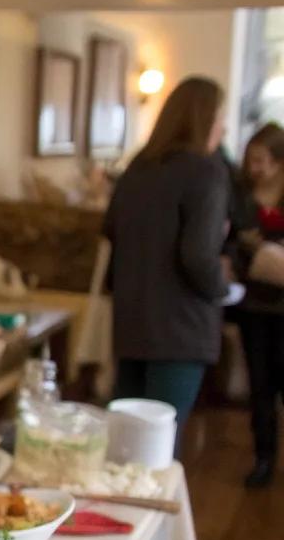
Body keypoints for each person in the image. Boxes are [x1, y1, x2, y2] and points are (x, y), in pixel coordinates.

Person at [102, 76, 228, 456]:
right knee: (158, 449)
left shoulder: (137, 169)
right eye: (220, 117)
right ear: (204, 119)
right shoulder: (204, 172)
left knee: (123, 447)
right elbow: (198, 256)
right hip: (179, 328)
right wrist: (222, 288)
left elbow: (110, 230)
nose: (223, 128)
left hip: (132, 322)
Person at [228, 122, 284, 488]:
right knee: (260, 386)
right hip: (253, 306)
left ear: (279, 162)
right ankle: (263, 458)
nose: (254, 168)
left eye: (261, 161)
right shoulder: (240, 196)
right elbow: (226, 242)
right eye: (251, 160)